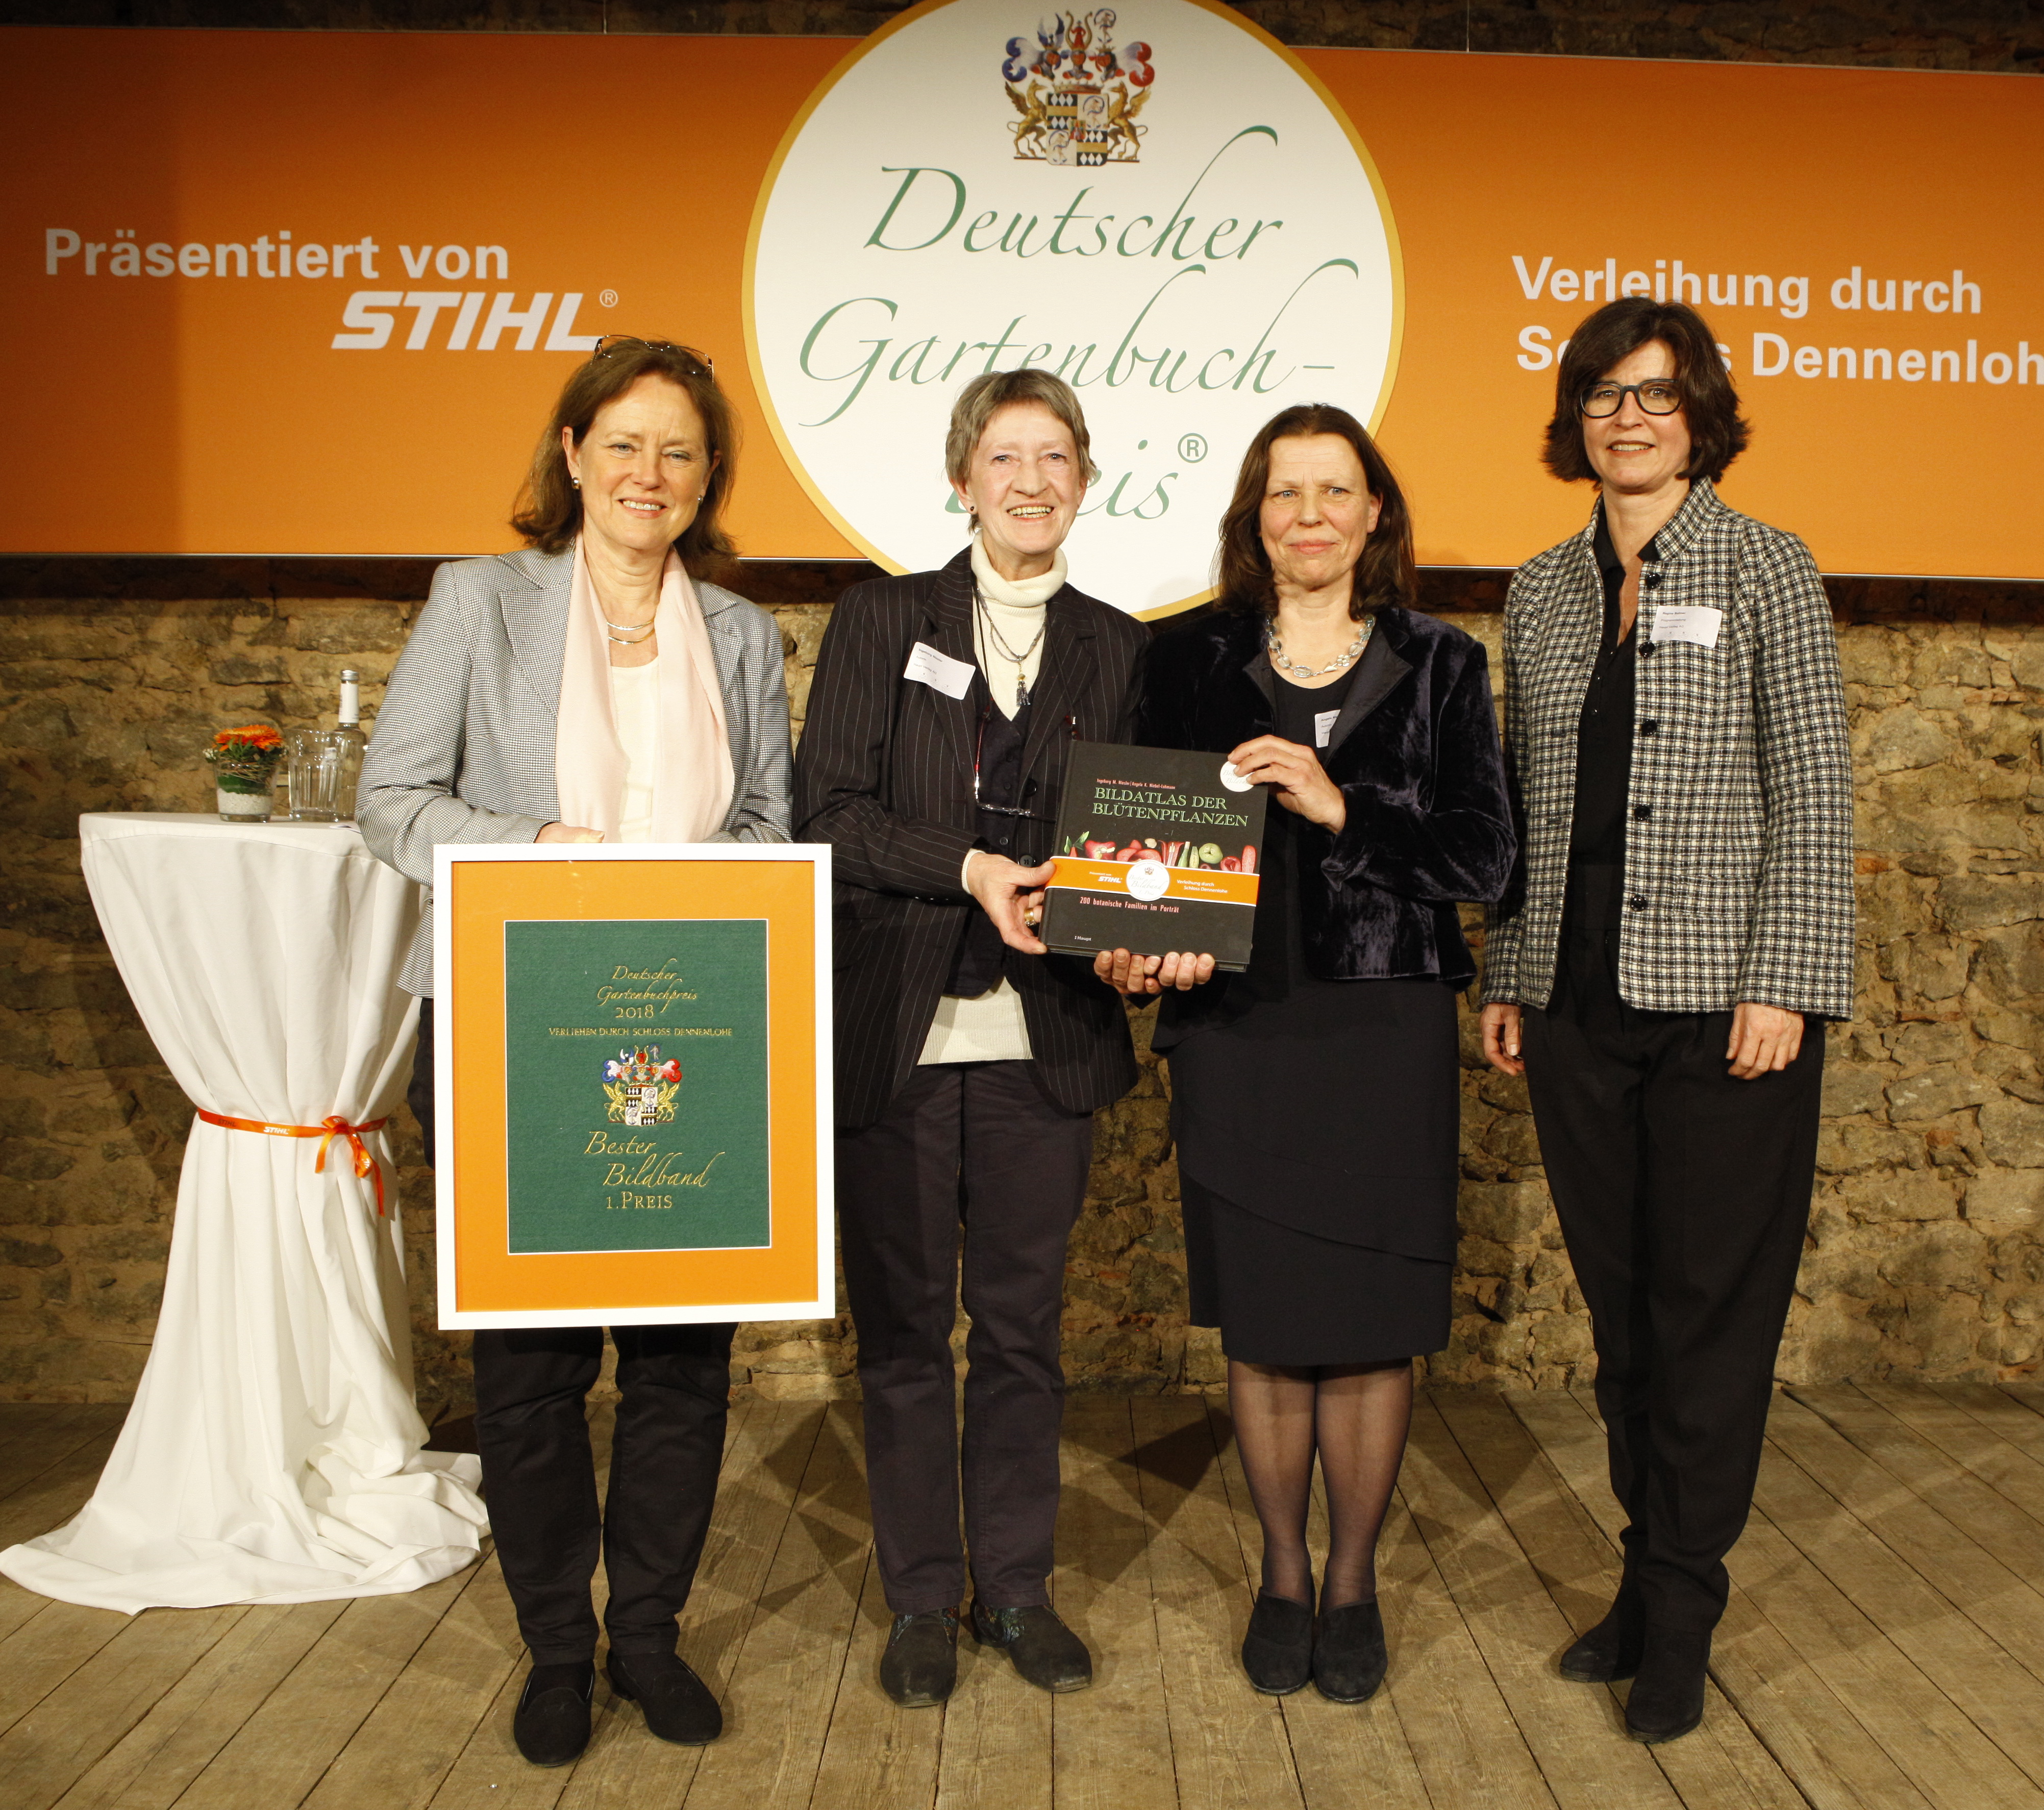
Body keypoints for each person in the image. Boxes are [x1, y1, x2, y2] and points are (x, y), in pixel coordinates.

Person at [358, 336, 792, 1767]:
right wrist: (530, 846)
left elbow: (767, 828)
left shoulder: (739, 634)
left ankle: (648, 1633)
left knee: (682, 1364)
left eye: (678, 451)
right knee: (531, 1367)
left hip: (694, 1029)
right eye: (622, 444)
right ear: (571, 454)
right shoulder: (481, 601)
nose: (647, 474)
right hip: (513, 1023)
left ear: (708, 476)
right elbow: (393, 801)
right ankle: (557, 1644)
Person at [1479, 297, 1855, 1744]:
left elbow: (1812, 787)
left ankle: (1684, 1608)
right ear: (1573, 419)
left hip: (1724, 1013)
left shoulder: (1766, 566)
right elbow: (1523, 804)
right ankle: (1643, 1579)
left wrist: (1785, 980)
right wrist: (1509, 972)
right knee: (1625, 1317)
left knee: (1708, 1317)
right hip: (1575, 1005)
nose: (1627, 418)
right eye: (1603, 395)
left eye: (1654, 394)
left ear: (1699, 413)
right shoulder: (1540, 589)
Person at [1098, 404, 1513, 1704]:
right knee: (1270, 1323)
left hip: (1381, 1029)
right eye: (1286, 493)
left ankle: (1352, 1583)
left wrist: (1343, 808)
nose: (1311, 515)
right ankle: (1283, 1575)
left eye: (1335, 491)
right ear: (1255, 515)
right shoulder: (1183, 658)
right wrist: (1131, 940)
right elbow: (1136, 850)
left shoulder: (1440, 661)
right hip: (1239, 1028)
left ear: (1373, 512)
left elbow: (1483, 857)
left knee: (1371, 1327)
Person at [793, 368, 1149, 1710]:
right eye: (1005, 456)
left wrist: (1139, 926)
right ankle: (919, 1597)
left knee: (1018, 1334)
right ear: (962, 478)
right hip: (894, 1032)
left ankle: (1015, 1588)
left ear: (1085, 481)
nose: (1030, 481)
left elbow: (1136, 847)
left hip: (1040, 1040)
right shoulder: (882, 619)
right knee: (900, 1337)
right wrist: (967, 868)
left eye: (1055, 457)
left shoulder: (1119, 646)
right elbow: (829, 818)